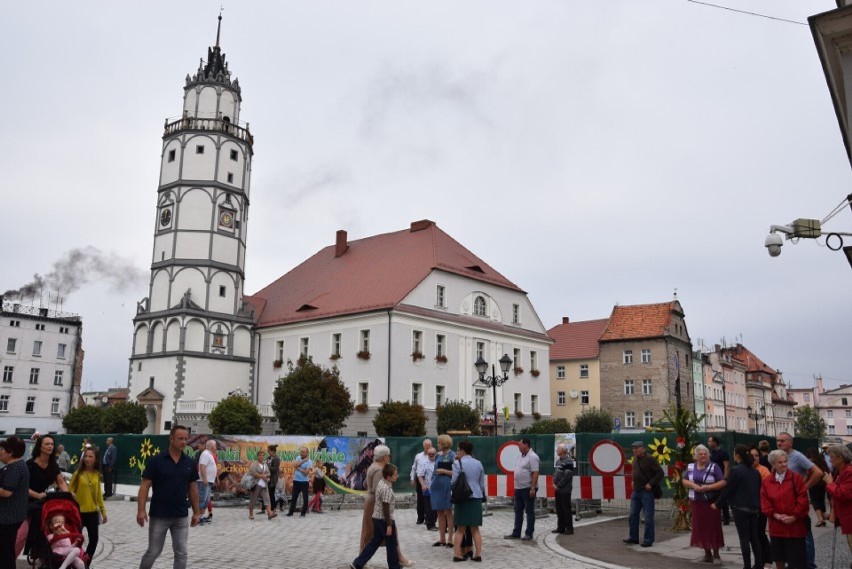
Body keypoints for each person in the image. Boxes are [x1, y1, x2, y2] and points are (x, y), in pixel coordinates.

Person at [137, 425, 200, 569]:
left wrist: (197, 512)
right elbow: (145, 486)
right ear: (171, 439)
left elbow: (193, 489)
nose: (184, 442)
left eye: (186, 439)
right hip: (159, 515)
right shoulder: (156, 461)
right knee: (153, 551)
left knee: (181, 553)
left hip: (180, 516)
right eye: (180, 439)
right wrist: (141, 510)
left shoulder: (189, 463)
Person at [359, 445, 413, 566]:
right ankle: (360, 561)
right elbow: (379, 490)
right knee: (373, 533)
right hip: (375, 503)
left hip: (371, 500)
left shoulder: (373, 466)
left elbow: (365, 483)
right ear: (384, 457)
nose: (390, 457)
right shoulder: (379, 470)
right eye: (389, 455)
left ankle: (397, 558)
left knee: (373, 533)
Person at [777, 432, 822, 569]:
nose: (779, 443)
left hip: (797, 503)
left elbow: (817, 472)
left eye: (783, 441)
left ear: (790, 443)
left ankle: (809, 564)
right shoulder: (778, 457)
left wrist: (804, 488)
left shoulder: (797, 456)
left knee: (805, 533)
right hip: (783, 503)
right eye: (778, 440)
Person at [761, 449, 809, 569]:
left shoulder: (796, 478)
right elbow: (765, 502)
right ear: (773, 464)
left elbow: (803, 499)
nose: (784, 464)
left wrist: (794, 516)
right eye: (780, 462)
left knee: (797, 562)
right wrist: (775, 515)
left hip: (795, 527)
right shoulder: (767, 481)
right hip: (777, 527)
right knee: (779, 559)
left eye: (785, 461)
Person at [717, 444, 761, 569]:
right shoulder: (755, 472)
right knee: (754, 538)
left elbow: (728, 489)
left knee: (744, 538)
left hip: (740, 508)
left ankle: (747, 566)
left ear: (737, 455)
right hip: (753, 508)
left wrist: (718, 503)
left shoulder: (735, 471)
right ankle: (758, 564)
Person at [26, 434, 69, 562]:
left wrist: (68, 494)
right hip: (30, 499)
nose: (50, 446)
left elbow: (61, 482)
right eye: (47, 444)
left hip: (44, 499)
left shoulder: (52, 465)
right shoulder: (30, 464)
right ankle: (35, 548)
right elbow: (23, 487)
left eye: (52, 444)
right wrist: (37, 495)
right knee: (39, 517)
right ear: (40, 447)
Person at [351, 463, 402, 569]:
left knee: (374, 542)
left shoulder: (381, 483)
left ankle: (358, 563)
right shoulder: (387, 489)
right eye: (395, 474)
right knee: (392, 544)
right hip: (384, 520)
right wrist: (389, 525)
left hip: (376, 518)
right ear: (389, 477)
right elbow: (386, 508)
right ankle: (394, 566)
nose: (397, 476)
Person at [682, 443, 726, 563]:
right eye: (700, 454)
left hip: (710, 503)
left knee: (713, 528)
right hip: (696, 502)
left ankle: (716, 555)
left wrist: (709, 487)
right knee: (700, 528)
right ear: (696, 456)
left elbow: (722, 482)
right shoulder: (691, 466)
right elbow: (684, 480)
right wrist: (693, 485)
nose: (703, 456)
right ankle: (707, 554)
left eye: (705, 454)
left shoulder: (714, 466)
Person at [68, 447, 107, 560]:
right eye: (85, 456)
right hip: (78, 512)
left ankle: (85, 563)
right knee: (76, 539)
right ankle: (74, 561)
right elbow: (69, 490)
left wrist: (103, 512)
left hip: (93, 512)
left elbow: (99, 494)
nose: (87, 459)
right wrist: (72, 494)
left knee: (94, 539)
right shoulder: (78, 474)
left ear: (95, 459)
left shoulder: (96, 474)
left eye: (90, 456)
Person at [624, 440, 663, 548]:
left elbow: (660, 473)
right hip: (636, 491)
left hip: (647, 492)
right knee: (632, 515)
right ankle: (633, 537)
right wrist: (633, 480)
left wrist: (651, 484)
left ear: (642, 448)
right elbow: (635, 471)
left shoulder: (650, 459)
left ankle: (648, 539)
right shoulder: (635, 458)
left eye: (636, 448)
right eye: (633, 448)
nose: (634, 450)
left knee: (648, 517)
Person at [451, 440, 485, 562]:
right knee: (475, 528)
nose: (457, 452)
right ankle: (478, 554)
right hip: (476, 497)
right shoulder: (479, 463)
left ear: (462, 450)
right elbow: (481, 484)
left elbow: (454, 482)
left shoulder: (457, 463)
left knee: (460, 529)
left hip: (462, 498)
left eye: (458, 450)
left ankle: (457, 554)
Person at [0, 436, 29, 569]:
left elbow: (6, 492)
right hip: (12, 517)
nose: (0, 452)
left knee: (5, 553)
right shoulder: (16, 466)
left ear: (10, 451)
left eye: (2, 449)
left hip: (7, 518)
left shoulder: (15, 468)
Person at [504, 437, 540, 541]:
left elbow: (535, 473)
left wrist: (532, 488)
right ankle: (516, 532)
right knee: (518, 510)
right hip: (519, 488)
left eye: (520, 444)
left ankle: (529, 533)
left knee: (529, 511)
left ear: (526, 445)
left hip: (528, 487)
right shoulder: (520, 456)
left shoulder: (533, 457)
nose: (518, 446)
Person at [823, 445, 852, 562]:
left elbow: (843, 494)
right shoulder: (841, 471)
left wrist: (830, 483)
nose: (830, 460)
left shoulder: (849, 472)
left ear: (840, 458)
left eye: (832, 457)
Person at [749, 445, 773, 568]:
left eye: (757, 455)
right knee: (753, 535)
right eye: (752, 456)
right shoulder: (744, 469)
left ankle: (767, 560)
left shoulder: (763, 470)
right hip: (748, 507)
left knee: (759, 534)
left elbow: (768, 489)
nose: (755, 458)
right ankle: (759, 560)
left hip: (760, 507)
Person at [432, 434, 456, 547]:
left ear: (445, 443)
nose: (438, 445)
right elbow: (434, 470)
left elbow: (456, 473)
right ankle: (442, 539)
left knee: (448, 512)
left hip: (447, 485)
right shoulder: (437, 455)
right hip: (436, 485)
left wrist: (444, 471)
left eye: (439, 442)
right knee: (439, 512)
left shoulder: (453, 455)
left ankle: (450, 539)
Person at [707, 436, 731, 525]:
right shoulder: (711, 454)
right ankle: (715, 516)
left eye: (710, 441)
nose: (708, 443)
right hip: (712, 479)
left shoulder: (723, 453)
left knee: (723, 498)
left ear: (715, 442)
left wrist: (724, 479)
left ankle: (726, 518)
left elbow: (727, 466)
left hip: (720, 479)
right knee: (713, 497)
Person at [552, 443, 575, 535]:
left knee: (566, 509)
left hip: (565, 490)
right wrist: (553, 482)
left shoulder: (569, 461)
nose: (557, 450)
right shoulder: (558, 461)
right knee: (559, 509)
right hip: (558, 489)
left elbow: (567, 475)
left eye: (558, 448)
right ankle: (560, 527)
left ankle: (569, 528)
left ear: (563, 450)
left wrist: (558, 485)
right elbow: (556, 473)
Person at [248, 449, 277, 520]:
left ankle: (269, 513)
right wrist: (262, 476)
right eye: (260, 455)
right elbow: (253, 473)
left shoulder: (264, 464)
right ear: (257, 456)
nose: (261, 457)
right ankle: (251, 514)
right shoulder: (254, 464)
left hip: (264, 485)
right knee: (253, 500)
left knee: (267, 499)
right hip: (256, 485)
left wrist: (265, 476)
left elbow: (269, 473)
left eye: (262, 455)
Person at [410, 438, 433, 525]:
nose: (428, 446)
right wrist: (412, 478)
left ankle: (429, 518)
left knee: (429, 500)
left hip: (430, 480)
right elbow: (414, 468)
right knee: (420, 500)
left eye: (430, 445)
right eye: (426, 445)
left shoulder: (434, 455)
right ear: (423, 446)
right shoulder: (418, 456)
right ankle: (420, 518)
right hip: (420, 479)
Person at [804, 447, 829, 527]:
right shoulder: (822, 461)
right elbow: (827, 470)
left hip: (814, 483)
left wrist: (803, 483)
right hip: (823, 483)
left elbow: (808, 474)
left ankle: (820, 520)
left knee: (815, 502)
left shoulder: (811, 462)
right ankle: (824, 515)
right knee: (821, 501)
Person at [287, 446, 312, 517]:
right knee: (294, 497)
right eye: (301, 451)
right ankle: (290, 512)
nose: (301, 453)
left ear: (307, 453)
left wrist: (298, 468)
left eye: (303, 452)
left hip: (304, 482)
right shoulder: (298, 458)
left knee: (305, 498)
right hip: (296, 481)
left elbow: (306, 472)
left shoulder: (309, 461)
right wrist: (303, 461)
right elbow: (294, 465)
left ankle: (303, 513)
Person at [417, 447, 437, 531]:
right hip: (428, 488)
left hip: (437, 488)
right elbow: (420, 475)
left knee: (436, 508)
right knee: (429, 507)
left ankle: (433, 522)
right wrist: (423, 485)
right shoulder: (424, 463)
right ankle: (430, 525)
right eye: (429, 454)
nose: (431, 455)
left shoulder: (438, 462)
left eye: (433, 454)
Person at [196, 440, 217, 524]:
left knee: (206, 500)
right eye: (215, 446)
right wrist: (204, 478)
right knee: (201, 499)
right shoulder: (205, 454)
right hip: (203, 481)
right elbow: (202, 466)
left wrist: (213, 479)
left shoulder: (209, 454)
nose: (216, 448)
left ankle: (202, 516)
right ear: (211, 446)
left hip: (208, 481)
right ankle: (197, 517)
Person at [267, 445, 281, 513]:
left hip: (273, 479)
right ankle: (265, 508)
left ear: (273, 451)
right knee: (267, 493)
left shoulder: (277, 458)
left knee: (271, 493)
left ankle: (273, 507)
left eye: (269, 451)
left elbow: (275, 469)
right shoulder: (268, 458)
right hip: (267, 477)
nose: (268, 452)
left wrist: (268, 467)